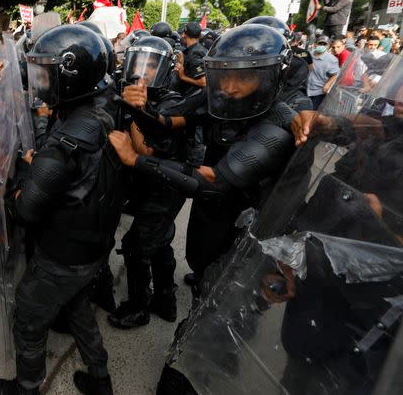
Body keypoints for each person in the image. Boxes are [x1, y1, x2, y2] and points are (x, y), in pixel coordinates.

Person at [0, 25, 127, 395]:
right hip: (92, 247)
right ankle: (100, 380)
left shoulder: (64, 143)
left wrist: (21, 179)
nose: (40, 82)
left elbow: (26, 212)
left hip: (62, 256)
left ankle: (26, 387)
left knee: (29, 320)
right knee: (79, 311)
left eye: (46, 73)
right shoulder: (102, 114)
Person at [109, 24, 297, 291]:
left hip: (250, 234)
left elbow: (213, 180)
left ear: (270, 76)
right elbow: (171, 121)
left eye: (245, 77)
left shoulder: (276, 126)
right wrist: (139, 108)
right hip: (216, 216)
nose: (230, 87)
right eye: (225, 75)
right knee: (204, 276)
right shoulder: (222, 102)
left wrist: (135, 159)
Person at [107, 35, 198, 330]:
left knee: (136, 245)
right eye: (138, 64)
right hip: (149, 183)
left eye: (151, 67)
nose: (141, 73)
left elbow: (143, 151)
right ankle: (165, 299)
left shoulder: (171, 102)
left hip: (165, 186)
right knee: (160, 241)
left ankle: (138, 307)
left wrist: (138, 110)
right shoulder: (128, 93)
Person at [307, 38, 340, 110]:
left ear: (328, 46)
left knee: (312, 115)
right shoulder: (308, 54)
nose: (322, 46)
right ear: (315, 44)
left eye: (324, 44)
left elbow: (335, 75)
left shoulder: (331, 59)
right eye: (320, 43)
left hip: (318, 92)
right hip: (304, 90)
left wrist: (327, 85)